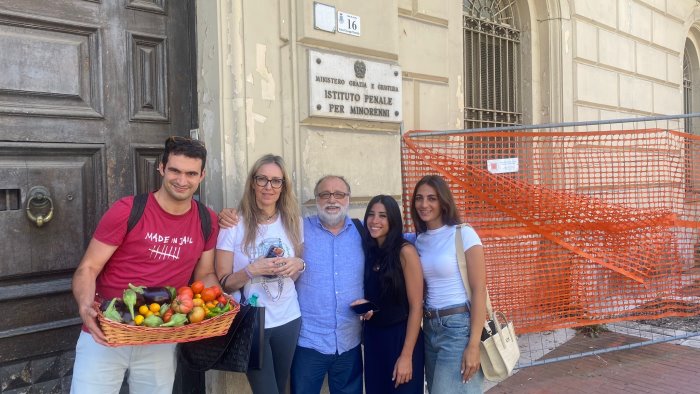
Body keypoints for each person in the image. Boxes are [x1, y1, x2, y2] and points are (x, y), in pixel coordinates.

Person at [70, 136, 220, 394]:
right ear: (161, 168)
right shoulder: (127, 210)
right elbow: (88, 268)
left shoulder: (207, 220)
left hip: (161, 334)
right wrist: (85, 306)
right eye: (175, 170)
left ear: (202, 176)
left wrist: (219, 305)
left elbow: (205, 274)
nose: (182, 180)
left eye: (191, 173)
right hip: (107, 331)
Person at [218, 174, 365, 394]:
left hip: (349, 340)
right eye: (324, 194)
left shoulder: (363, 231)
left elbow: (390, 258)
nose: (332, 200)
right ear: (316, 199)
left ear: (349, 198)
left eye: (339, 194)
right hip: (308, 341)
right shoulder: (299, 226)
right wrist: (226, 214)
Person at [216, 154, 305, 394]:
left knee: (282, 386)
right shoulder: (233, 224)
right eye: (262, 179)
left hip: (288, 318)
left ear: (283, 186)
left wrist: (298, 264)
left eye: (276, 181)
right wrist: (250, 271)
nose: (269, 186)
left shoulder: (294, 222)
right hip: (251, 323)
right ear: (252, 183)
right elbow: (224, 283)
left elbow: (297, 266)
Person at [410, 175, 487, 394]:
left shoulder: (464, 233)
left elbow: (479, 289)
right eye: (419, 198)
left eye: (432, 198)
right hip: (430, 327)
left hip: (457, 327)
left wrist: (473, 345)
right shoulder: (420, 240)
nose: (424, 204)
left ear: (443, 201)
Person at [352, 195, 424, 393]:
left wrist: (407, 355)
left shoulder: (405, 251)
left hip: (400, 338)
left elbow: (417, 306)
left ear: (392, 219)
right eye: (371, 215)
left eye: (382, 216)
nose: (375, 221)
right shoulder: (370, 250)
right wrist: (367, 305)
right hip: (374, 339)